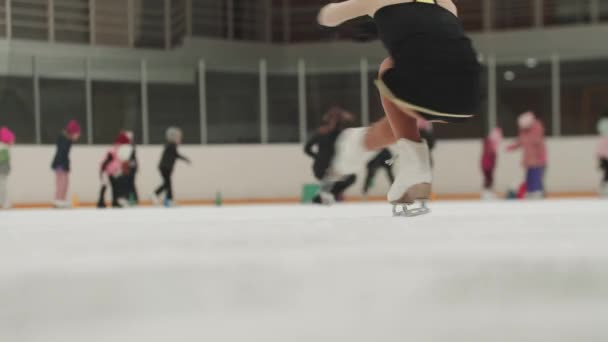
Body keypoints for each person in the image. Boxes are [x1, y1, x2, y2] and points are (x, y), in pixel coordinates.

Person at [318, 0, 481, 216]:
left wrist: (354, 12)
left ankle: (411, 159)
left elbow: (328, 17)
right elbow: (435, 37)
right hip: (468, 98)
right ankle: (353, 154)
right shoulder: (446, 3)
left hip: (424, 92)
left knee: (389, 65)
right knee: (388, 129)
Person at [304, 107, 357, 204]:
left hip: (323, 168)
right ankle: (326, 195)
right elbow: (307, 148)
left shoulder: (323, 133)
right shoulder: (333, 133)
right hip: (327, 168)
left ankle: (326, 195)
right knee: (349, 177)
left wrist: (317, 157)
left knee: (350, 177)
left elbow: (307, 148)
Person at [507, 111, 547, 199]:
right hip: (528, 160)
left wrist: (542, 158)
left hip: (538, 161)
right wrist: (512, 147)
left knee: (536, 177)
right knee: (529, 177)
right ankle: (530, 192)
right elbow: (520, 141)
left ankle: (537, 192)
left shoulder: (537, 130)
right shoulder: (524, 132)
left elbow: (539, 145)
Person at [152, 127, 190, 207]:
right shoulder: (172, 145)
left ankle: (168, 199)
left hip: (165, 168)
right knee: (167, 184)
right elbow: (176, 155)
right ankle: (156, 194)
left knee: (168, 184)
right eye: (178, 137)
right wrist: (186, 159)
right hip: (165, 167)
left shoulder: (171, 145)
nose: (180, 139)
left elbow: (174, 155)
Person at [97, 131, 134, 208]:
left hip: (114, 171)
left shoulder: (121, 149)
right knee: (105, 185)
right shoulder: (114, 149)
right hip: (107, 171)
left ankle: (114, 201)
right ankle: (101, 202)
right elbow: (107, 160)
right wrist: (103, 170)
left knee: (114, 186)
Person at [51, 120, 81, 208]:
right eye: (77, 133)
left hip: (61, 163)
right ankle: (59, 200)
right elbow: (61, 153)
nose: (78, 135)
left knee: (64, 182)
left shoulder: (66, 139)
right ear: (73, 132)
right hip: (61, 163)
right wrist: (60, 165)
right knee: (62, 182)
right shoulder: (65, 140)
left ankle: (60, 200)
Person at [480, 127, 503, 200]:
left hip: (488, 165)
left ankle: (488, 192)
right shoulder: (489, 143)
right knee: (488, 179)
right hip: (487, 166)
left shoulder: (490, 144)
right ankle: (486, 193)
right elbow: (490, 153)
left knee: (489, 179)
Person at [0, 126, 16, 209]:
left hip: (3, 170)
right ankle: (4, 203)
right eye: (12, 140)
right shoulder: (4, 148)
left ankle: (4, 202)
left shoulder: (4, 147)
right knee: (3, 186)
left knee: (2, 186)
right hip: (2, 170)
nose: (13, 142)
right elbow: (3, 161)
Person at [597, 117, 608, 197]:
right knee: (606, 174)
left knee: (606, 174)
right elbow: (601, 151)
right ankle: (603, 189)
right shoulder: (604, 139)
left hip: (603, 158)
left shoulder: (604, 138)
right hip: (604, 158)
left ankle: (603, 189)